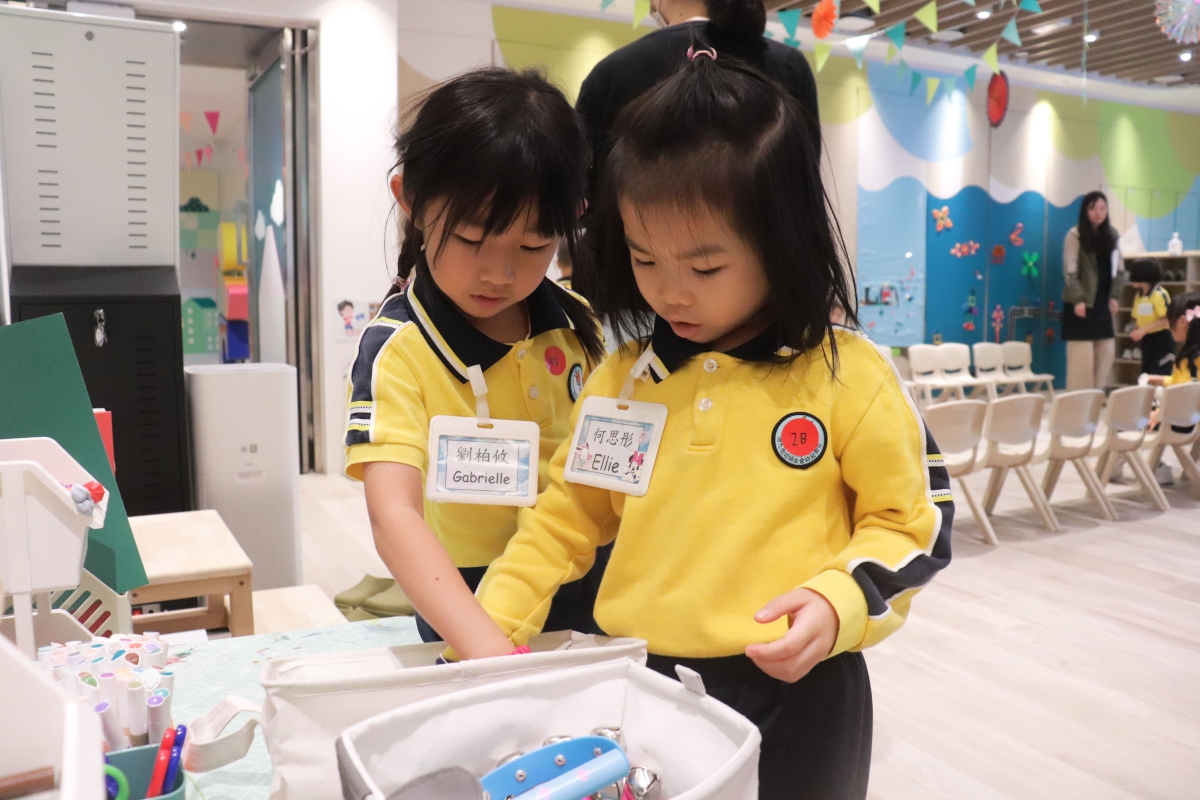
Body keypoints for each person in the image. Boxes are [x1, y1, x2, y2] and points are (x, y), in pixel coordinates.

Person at [463, 52, 953, 799]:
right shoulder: (625, 379)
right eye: (644, 259)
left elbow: (913, 523)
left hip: (802, 694)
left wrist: (839, 601)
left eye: (705, 267)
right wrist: (489, 629)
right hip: (647, 689)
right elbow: (564, 522)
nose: (670, 293)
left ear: (781, 241)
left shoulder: (846, 374)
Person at [343, 68, 606, 655]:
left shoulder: (576, 323)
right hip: (467, 602)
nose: (499, 273)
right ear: (411, 200)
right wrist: (485, 646)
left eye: (533, 246)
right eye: (470, 238)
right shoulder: (399, 350)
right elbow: (394, 516)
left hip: (588, 581)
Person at [572, 0, 819, 298]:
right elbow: (803, 203)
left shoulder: (613, 73)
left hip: (626, 298)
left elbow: (581, 202)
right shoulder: (788, 67)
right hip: (767, 302)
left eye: (705, 267)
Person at [1062, 191, 1126, 391]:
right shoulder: (1075, 235)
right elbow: (1070, 271)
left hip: (1102, 305)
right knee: (1082, 363)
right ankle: (1078, 405)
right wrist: (1078, 299)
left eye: (1102, 208)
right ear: (1085, 211)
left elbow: (1120, 270)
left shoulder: (1112, 235)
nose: (1099, 213)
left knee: (1106, 354)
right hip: (1081, 306)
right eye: (1093, 209)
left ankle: (1096, 400)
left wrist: (1115, 297)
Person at [1127, 258, 1175, 379]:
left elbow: (1167, 318)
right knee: (1146, 373)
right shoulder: (1138, 296)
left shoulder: (1159, 295)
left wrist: (1143, 330)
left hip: (1162, 339)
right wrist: (1136, 330)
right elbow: (1137, 317)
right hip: (1147, 341)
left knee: (1159, 373)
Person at [1147, 293, 1200, 388]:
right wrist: (1163, 380)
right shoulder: (1188, 354)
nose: (1169, 327)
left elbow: (1188, 388)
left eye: (1171, 322)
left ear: (1182, 321)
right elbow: (1184, 382)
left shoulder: (1191, 357)